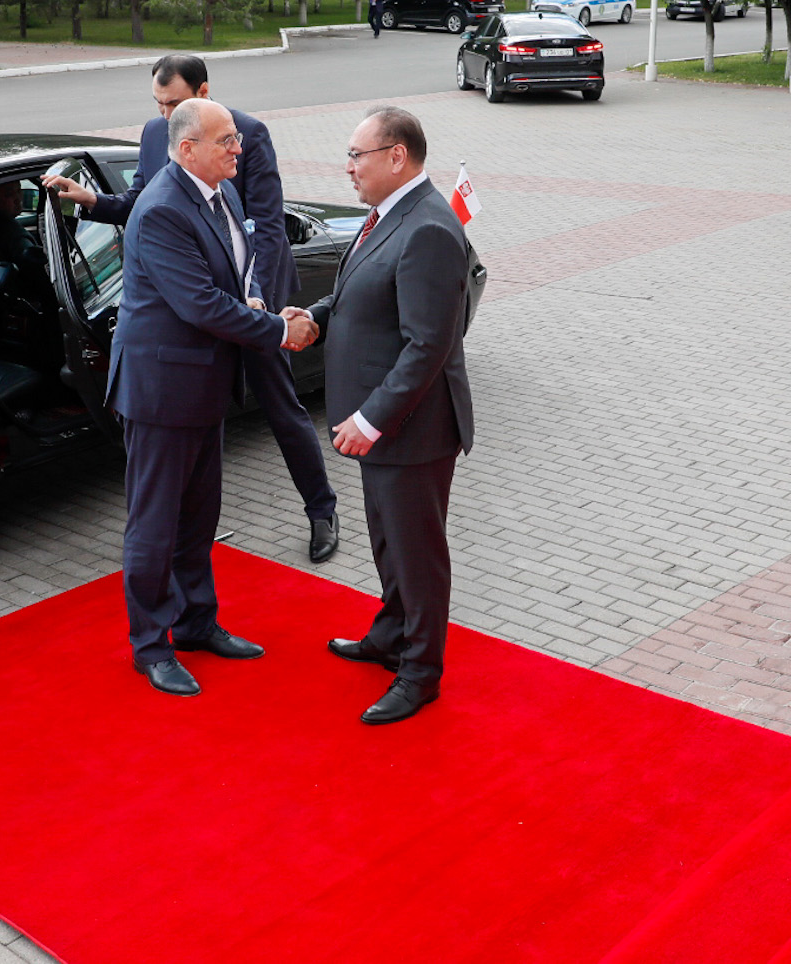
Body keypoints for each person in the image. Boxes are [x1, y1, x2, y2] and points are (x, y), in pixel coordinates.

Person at [43, 53, 344, 563]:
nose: (165, 115)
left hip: (253, 302)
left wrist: (262, 310)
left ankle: (322, 509)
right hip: (207, 310)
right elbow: (142, 203)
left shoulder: (246, 135)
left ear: (203, 93)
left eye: (174, 103)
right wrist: (91, 201)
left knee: (281, 408)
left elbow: (267, 228)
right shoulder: (154, 134)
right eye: (158, 104)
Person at [108, 98, 317, 696]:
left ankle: (197, 624)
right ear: (186, 149)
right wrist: (277, 330)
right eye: (225, 140)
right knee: (155, 525)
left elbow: (225, 276)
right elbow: (198, 303)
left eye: (235, 138)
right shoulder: (161, 209)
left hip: (201, 385)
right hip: (162, 391)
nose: (238, 148)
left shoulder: (216, 192)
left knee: (199, 518)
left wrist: (254, 304)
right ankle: (151, 646)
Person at [293, 106, 474, 725]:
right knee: (388, 542)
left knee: (417, 553)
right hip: (384, 428)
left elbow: (428, 344)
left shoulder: (428, 228)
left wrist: (370, 419)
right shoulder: (386, 216)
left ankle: (421, 672)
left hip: (412, 429)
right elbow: (356, 295)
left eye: (357, 155)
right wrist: (315, 317)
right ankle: (391, 636)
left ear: (397, 156)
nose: (348, 168)